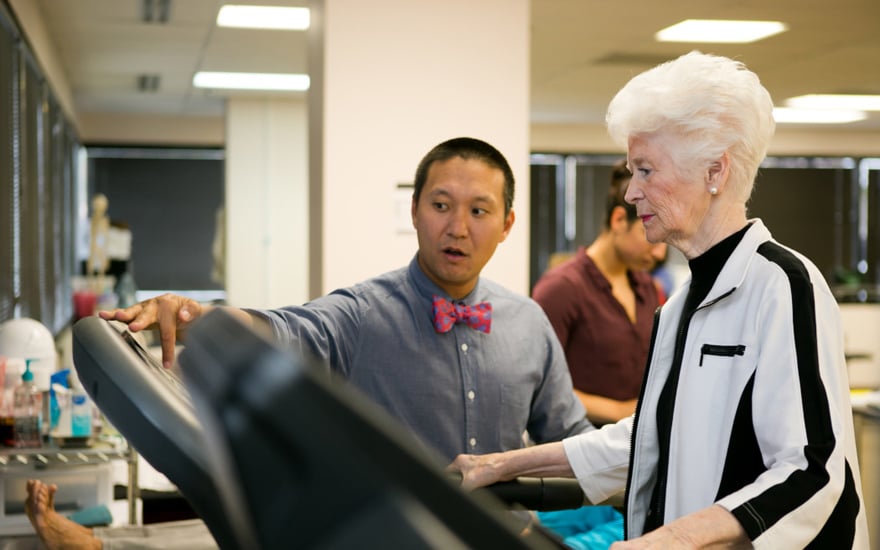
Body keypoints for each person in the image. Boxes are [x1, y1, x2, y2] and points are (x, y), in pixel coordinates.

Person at [26, 137, 594, 549]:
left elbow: (572, 443)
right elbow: (287, 327)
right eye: (441, 206)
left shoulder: (529, 322)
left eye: (479, 211)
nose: (458, 227)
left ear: (508, 224)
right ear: (416, 211)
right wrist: (200, 315)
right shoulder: (364, 312)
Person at [449, 51, 870, 548]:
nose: (630, 193)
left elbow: (811, 471)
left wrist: (670, 540)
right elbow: (651, 437)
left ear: (715, 171)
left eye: (645, 171)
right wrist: (502, 464)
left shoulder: (782, 284)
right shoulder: (678, 306)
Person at [532, 160, 666, 426]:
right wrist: (620, 411)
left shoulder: (648, 289)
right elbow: (538, 386)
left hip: (633, 448)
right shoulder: (561, 289)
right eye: (650, 234)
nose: (659, 252)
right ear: (618, 221)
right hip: (577, 448)